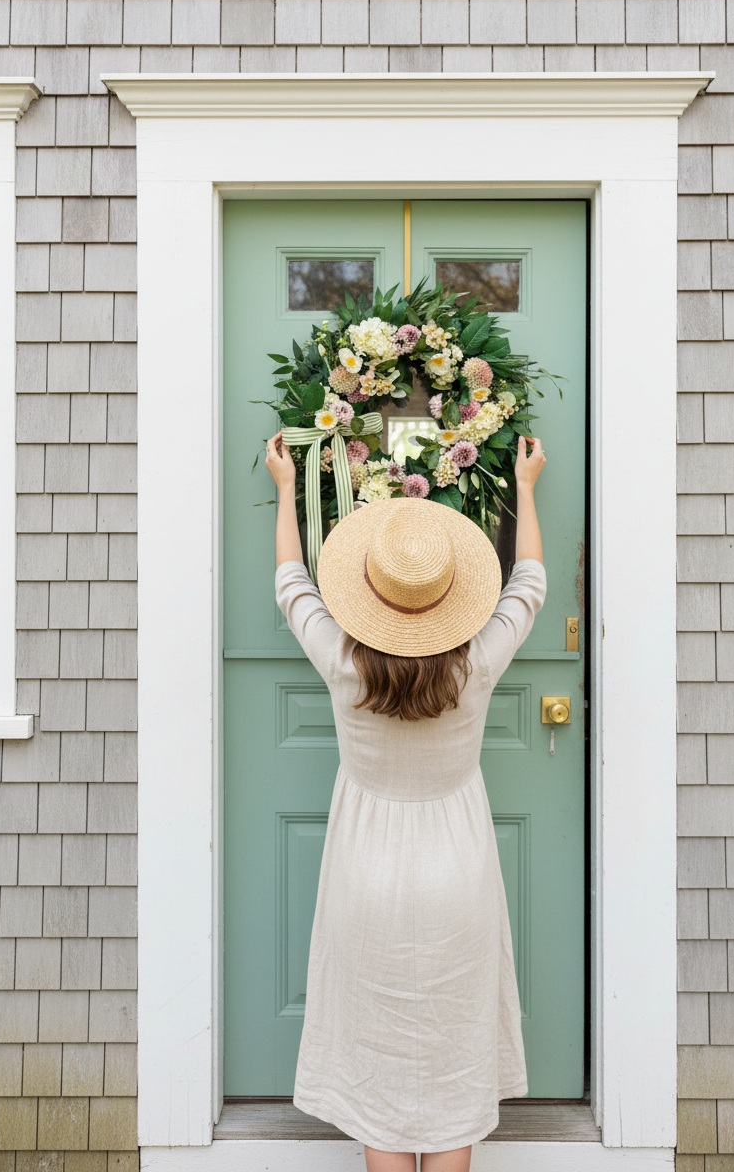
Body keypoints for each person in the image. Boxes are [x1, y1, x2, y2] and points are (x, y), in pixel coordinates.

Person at [265, 431, 547, 1172]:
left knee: (379, 1072)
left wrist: (288, 489)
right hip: (458, 873)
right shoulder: (477, 664)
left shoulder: (341, 663)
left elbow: (290, 582)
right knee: (452, 1067)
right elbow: (531, 586)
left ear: (372, 591)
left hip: (365, 873)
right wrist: (525, 485)